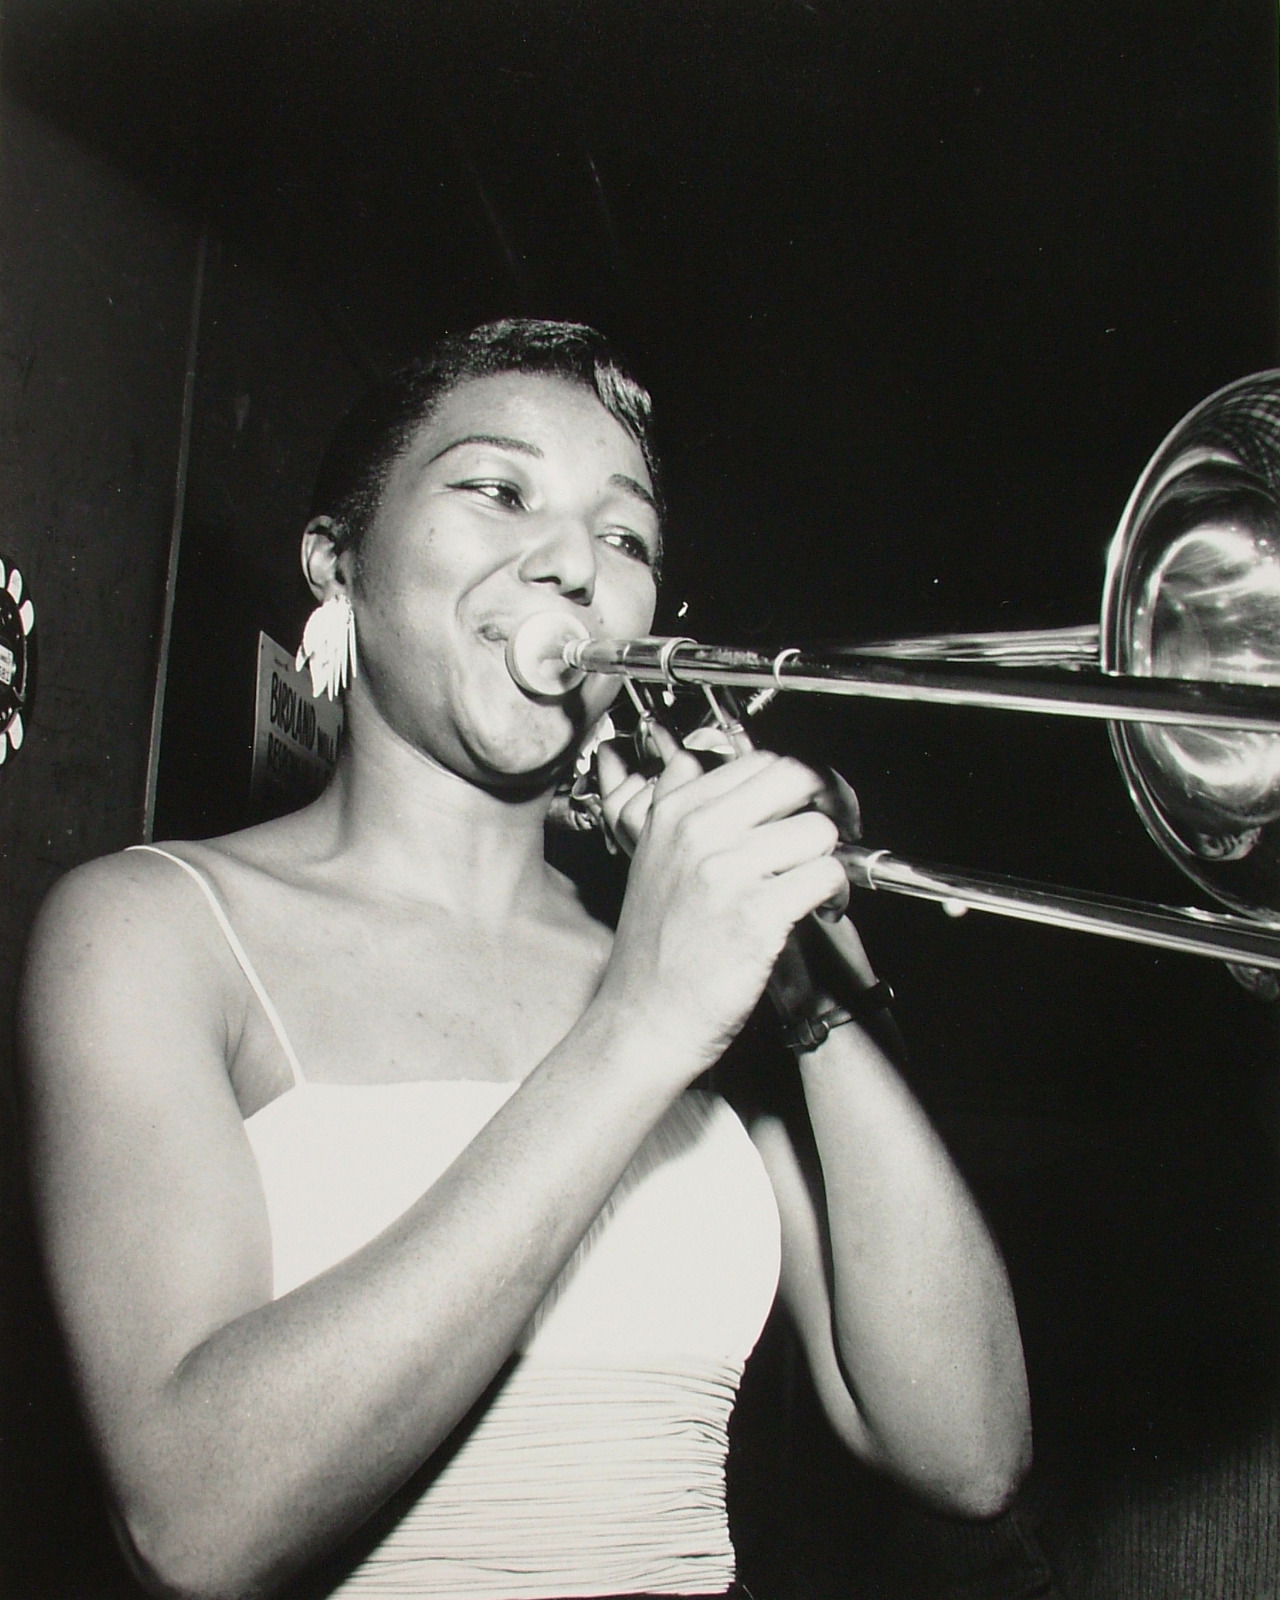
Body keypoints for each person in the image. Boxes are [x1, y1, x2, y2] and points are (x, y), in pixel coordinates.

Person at [19, 319, 1031, 1600]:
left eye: (625, 538)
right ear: (337, 561)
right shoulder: (144, 926)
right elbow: (194, 1524)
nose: (572, 566)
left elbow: (966, 1452)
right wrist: (640, 1025)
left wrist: (808, 988)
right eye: (498, 491)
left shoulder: (681, 957)